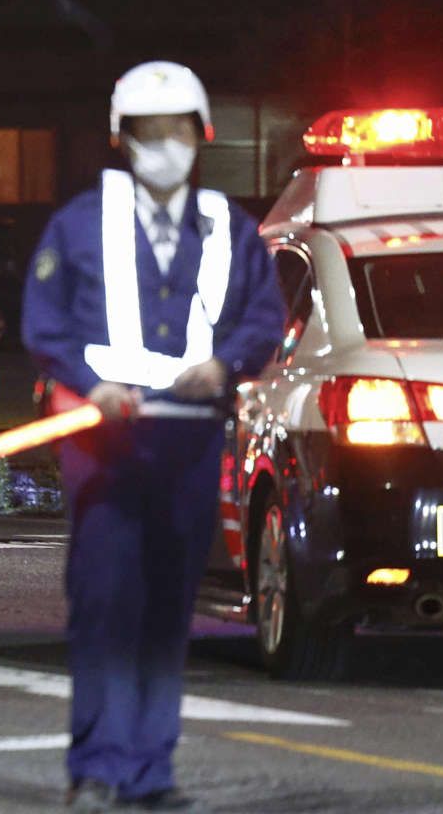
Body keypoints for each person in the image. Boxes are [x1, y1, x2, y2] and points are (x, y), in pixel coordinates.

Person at [21, 62, 284, 812]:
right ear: (120, 138)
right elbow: (45, 320)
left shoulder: (231, 228)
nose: (162, 147)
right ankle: (98, 768)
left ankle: (148, 774)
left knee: (169, 605)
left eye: (175, 132)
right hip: (103, 444)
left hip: (191, 442)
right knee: (105, 599)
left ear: (200, 138)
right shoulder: (78, 223)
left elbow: (262, 318)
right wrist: (86, 380)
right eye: (147, 133)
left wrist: (227, 364)